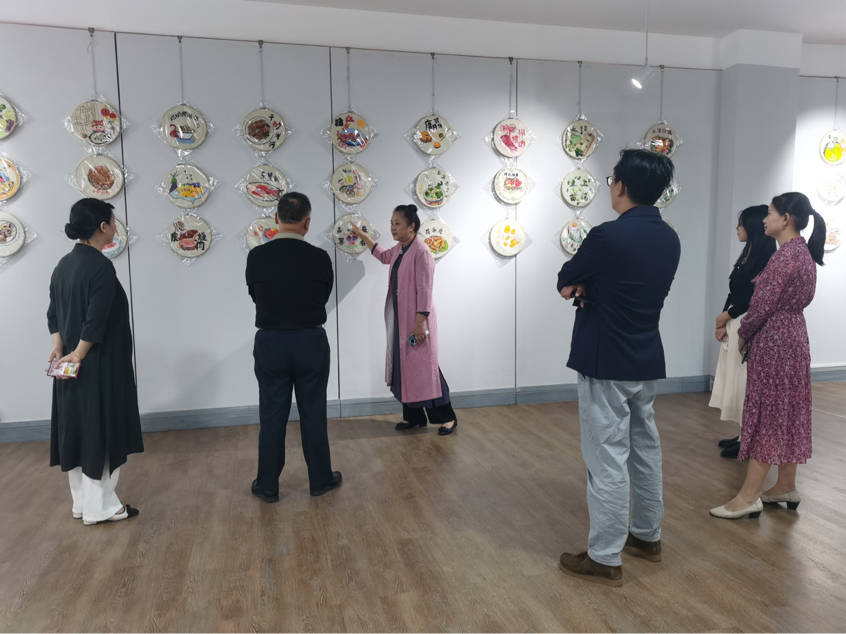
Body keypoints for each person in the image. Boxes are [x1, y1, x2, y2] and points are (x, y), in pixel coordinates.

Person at [555, 149, 680, 587]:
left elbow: (565, 279)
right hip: (645, 357)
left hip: (605, 359)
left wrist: (585, 285)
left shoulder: (606, 236)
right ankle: (647, 536)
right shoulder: (670, 238)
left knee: (606, 457)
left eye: (611, 180)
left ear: (621, 185)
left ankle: (605, 557)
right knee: (645, 449)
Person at [710, 193, 825, 520]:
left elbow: (761, 306)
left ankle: (748, 496)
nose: (765, 219)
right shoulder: (803, 253)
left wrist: (744, 335)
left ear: (785, 219)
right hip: (795, 337)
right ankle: (785, 485)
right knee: (788, 410)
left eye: (771, 213)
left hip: (774, 340)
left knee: (767, 414)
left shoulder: (784, 257)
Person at [47, 198, 143, 526]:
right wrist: (79, 353)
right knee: (101, 430)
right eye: (113, 222)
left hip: (70, 366)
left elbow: (53, 314)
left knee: (77, 430)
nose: (116, 227)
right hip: (98, 365)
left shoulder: (63, 264)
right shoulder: (101, 266)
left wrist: (60, 349)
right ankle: (100, 507)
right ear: (102, 227)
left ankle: (81, 503)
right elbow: (96, 320)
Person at [246, 192, 342, 502]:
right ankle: (320, 479)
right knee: (313, 411)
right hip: (310, 341)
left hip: (271, 341)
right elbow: (323, 296)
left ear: (276, 218)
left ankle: (267, 484)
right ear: (307, 223)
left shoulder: (257, 257)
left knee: (272, 414)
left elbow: (255, 295)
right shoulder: (319, 258)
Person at [350, 205, 457, 435]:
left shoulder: (421, 252)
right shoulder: (400, 248)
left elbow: (425, 290)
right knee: (405, 369)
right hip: (401, 320)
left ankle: (447, 418)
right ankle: (414, 418)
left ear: (412, 226)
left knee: (427, 370)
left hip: (417, 320)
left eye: (397, 223)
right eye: (391, 223)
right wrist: (362, 235)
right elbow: (382, 255)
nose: (393, 228)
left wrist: (420, 323)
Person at [710, 205, 776, 459]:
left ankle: (748, 438)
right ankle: (743, 434)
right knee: (736, 381)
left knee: (744, 383)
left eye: (741, 223)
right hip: (735, 320)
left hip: (747, 323)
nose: (737, 228)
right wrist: (722, 320)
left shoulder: (766, 258)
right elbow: (735, 291)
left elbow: (752, 298)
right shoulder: (750, 254)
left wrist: (726, 316)